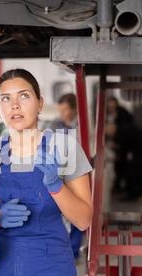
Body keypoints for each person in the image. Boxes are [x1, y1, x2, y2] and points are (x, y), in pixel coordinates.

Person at [0, 69, 93, 276]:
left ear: (40, 103)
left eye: (24, 96)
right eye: (5, 98)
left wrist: (56, 185)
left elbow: (83, 219)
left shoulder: (65, 148)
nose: (15, 105)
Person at [51, 93, 84, 260]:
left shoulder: (82, 126)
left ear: (73, 109)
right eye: (60, 110)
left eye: (65, 110)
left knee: (78, 211)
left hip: (78, 175)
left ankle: (74, 251)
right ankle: (64, 249)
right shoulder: (55, 125)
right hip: (61, 173)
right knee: (62, 211)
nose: (62, 114)